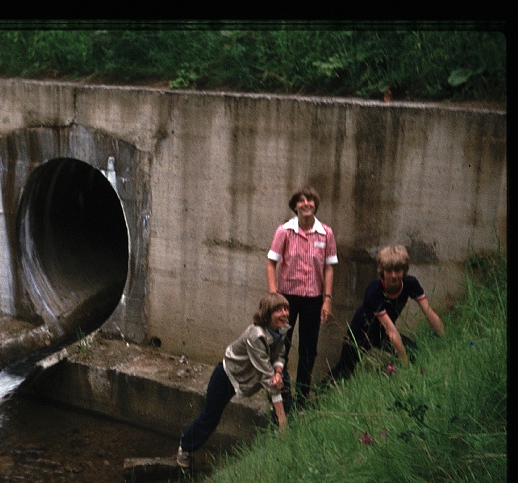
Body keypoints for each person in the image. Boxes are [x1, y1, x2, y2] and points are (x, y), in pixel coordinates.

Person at [176, 293, 291, 468]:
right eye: (279, 310)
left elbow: (280, 355)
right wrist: (283, 420)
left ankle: (279, 442)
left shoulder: (281, 330)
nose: (285, 313)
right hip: (226, 376)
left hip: (253, 375)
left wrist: (278, 371)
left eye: (286, 308)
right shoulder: (256, 335)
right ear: (267, 315)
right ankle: (184, 448)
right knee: (210, 417)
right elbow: (267, 378)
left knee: (284, 387)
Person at [266, 185, 338, 411]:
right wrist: (274, 294)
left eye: (310, 200)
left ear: (315, 205)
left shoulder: (326, 233)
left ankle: (302, 398)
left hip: (313, 299)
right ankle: (281, 396)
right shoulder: (284, 231)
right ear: (295, 206)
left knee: (309, 349)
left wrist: (327, 298)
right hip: (287, 299)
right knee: (281, 347)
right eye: (301, 201)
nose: (306, 204)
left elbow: (329, 267)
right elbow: (271, 263)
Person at [327, 245, 444, 380]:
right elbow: (391, 330)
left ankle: (404, 381)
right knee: (344, 371)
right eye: (388, 270)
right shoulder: (374, 291)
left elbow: (429, 313)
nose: (393, 275)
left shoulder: (411, 283)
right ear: (382, 271)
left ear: (404, 270)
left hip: (382, 333)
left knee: (413, 352)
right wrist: (405, 363)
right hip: (360, 332)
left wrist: (445, 340)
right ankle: (318, 394)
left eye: (397, 270)